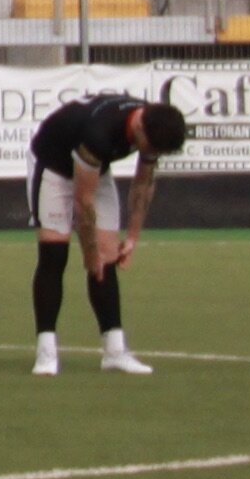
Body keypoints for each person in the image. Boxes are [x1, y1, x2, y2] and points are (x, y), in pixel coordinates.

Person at [28, 87, 188, 377]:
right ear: (139, 126)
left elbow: (142, 185)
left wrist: (133, 237)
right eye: (147, 146)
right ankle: (46, 351)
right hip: (53, 166)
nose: (148, 153)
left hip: (93, 171)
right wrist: (89, 252)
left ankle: (114, 350)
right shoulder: (99, 132)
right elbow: (82, 200)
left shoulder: (153, 124)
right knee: (54, 254)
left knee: (108, 257)